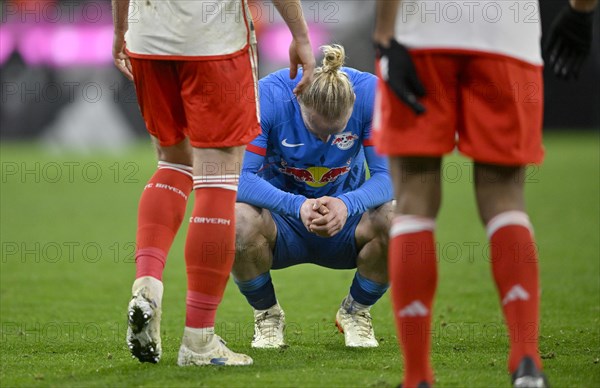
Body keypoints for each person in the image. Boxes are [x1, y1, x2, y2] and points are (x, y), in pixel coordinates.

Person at [372, 0, 597, 387]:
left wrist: (384, 34)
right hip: (507, 35)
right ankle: (527, 361)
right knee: (505, 198)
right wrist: (581, 10)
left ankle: (417, 377)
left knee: (413, 199)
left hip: (423, 30)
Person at [111, 0, 316, 366]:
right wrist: (300, 34)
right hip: (212, 39)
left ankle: (147, 284)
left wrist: (119, 28)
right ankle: (199, 341)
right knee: (218, 179)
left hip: (147, 38)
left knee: (173, 161)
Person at [233, 44, 393, 349]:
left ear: (354, 103)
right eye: (316, 130)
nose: (325, 141)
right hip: (281, 223)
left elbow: (392, 177)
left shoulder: (372, 94)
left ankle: (356, 311)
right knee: (236, 220)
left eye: (336, 132)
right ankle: (267, 315)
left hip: (346, 221)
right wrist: (296, 205)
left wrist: (348, 204)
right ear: (298, 100)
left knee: (398, 218)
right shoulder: (267, 96)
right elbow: (239, 178)